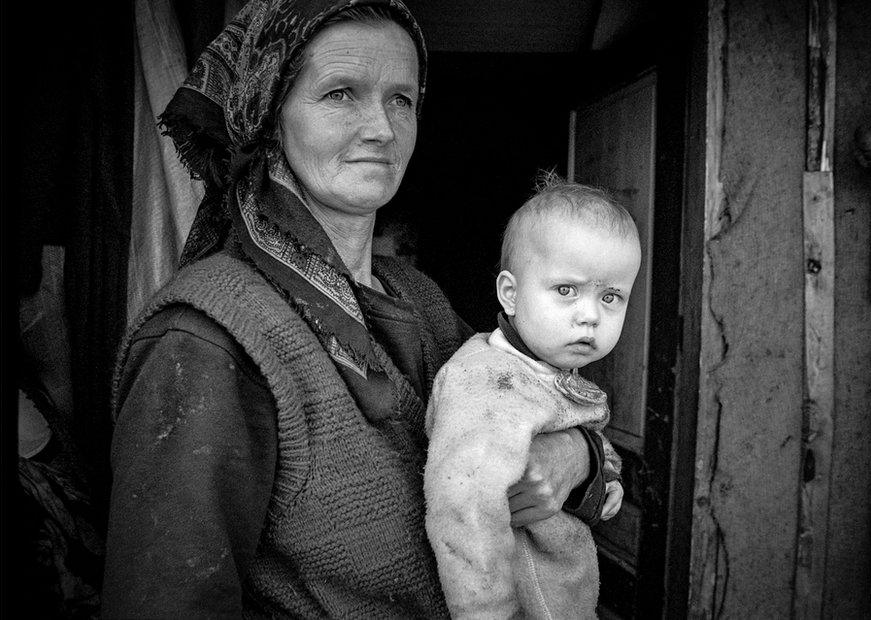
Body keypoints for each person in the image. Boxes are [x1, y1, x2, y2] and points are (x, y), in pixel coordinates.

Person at [101, 1, 612, 617]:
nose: (382, 128)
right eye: (341, 93)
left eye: (402, 99)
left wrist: (574, 458)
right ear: (269, 117)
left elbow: (535, 405)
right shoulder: (206, 340)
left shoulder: (417, 300)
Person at [424, 175, 639, 619]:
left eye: (612, 297)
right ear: (511, 293)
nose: (590, 316)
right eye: (566, 290)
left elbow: (585, 432)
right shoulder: (488, 384)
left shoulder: (550, 370)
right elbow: (464, 516)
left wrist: (605, 477)